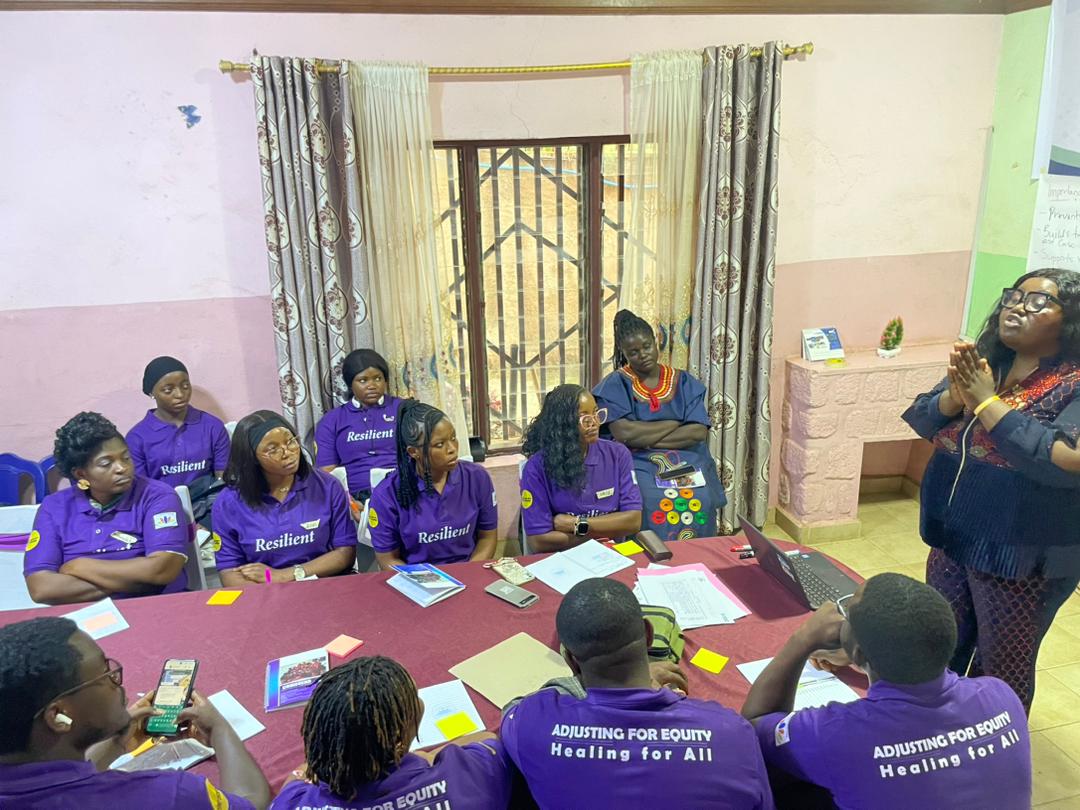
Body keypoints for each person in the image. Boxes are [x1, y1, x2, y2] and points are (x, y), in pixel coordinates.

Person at [902, 269, 1080, 712]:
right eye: (1014, 296)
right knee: (938, 648)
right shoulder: (988, 365)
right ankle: (935, 732)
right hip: (953, 537)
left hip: (1020, 556)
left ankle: (994, 745)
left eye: (1037, 302)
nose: (1016, 307)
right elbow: (921, 417)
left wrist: (986, 403)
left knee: (1001, 668)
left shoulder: (1072, 382)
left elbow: (1065, 458)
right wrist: (954, 398)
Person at [743, 574, 1032, 810]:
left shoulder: (836, 734)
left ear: (857, 653)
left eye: (846, 611)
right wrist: (870, 658)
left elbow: (754, 725)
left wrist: (802, 640)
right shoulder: (1000, 694)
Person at [500, 578, 774, 809]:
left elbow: (512, 710)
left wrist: (575, 686)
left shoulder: (531, 723)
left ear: (571, 661)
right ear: (648, 634)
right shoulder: (732, 732)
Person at [0, 616, 271, 809]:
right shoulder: (169, 795)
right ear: (59, 716)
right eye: (105, 674)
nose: (116, 680)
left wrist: (116, 743)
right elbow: (250, 802)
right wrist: (219, 731)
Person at [272, 656, 511, 810]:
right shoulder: (468, 775)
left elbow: (297, 777)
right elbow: (487, 739)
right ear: (398, 741)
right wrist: (426, 756)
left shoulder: (295, 802)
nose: (419, 702)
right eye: (414, 698)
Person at [24, 412, 190, 605]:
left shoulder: (156, 496)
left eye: (126, 458)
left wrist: (79, 566)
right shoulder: (54, 507)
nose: (121, 468)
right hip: (84, 613)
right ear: (81, 474)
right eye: (106, 463)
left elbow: (163, 569)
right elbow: (41, 588)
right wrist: (139, 582)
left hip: (154, 606)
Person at [593, 309, 726, 541]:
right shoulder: (615, 384)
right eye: (633, 352)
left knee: (701, 497)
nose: (642, 355)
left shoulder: (683, 381)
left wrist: (645, 437)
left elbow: (697, 432)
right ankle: (649, 556)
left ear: (656, 342)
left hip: (687, 456)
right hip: (637, 459)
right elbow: (624, 433)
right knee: (647, 498)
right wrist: (675, 422)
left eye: (646, 346)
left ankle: (699, 554)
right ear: (624, 353)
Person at [213, 410, 357, 586]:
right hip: (264, 591)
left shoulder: (327, 486)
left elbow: (345, 553)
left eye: (290, 441)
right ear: (252, 457)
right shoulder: (228, 503)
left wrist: (286, 575)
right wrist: (271, 592)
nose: (287, 452)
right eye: (273, 449)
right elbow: (229, 573)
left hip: (323, 584)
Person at [368, 400, 497, 568]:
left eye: (453, 438)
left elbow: (487, 537)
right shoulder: (387, 494)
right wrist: (428, 581)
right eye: (439, 444)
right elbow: (388, 560)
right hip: (416, 579)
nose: (452, 449)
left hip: (468, 571)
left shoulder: (477, 478)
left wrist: (468, 573)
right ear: (413, 452)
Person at [519, 384, 642, 552]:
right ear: (562, 424)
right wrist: (606, 531)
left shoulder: (618, 454)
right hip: (561, 557)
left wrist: (577, 525)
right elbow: (539, 541)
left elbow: (633, 521)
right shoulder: (537, 467)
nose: (594, 423)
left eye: (596, 413)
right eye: (583, 417)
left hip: (613, 553)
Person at [126, 356, 230, 488]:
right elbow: (141, 490)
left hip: (209, 499)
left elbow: (223, 479)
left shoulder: (212, 426)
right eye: (168, 390)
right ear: (152, 393)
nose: (180, 394)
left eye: (185, 386)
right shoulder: (137, 438)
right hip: (161, 501)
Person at [315, 349, 401, 500]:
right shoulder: (332, 420)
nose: (372, 385)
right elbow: (326, 473)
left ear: (385, 381)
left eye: (378, 378)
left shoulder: (403, 410)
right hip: (356, 497)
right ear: (350, 384)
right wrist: (348, 502)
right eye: (363, 380)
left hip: (401, 491)